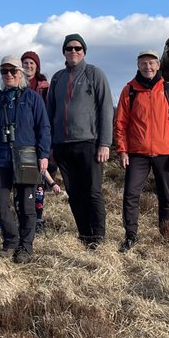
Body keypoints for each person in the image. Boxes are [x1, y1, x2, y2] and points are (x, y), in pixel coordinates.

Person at [113, 50, 169, 252]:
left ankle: (167, 236)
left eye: (151, 63)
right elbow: (120, 124)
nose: (148, 67)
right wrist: (122, 151)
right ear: (138, 66)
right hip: (137, 154)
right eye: (143, 63)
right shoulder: (129, 90)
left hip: (166, 153)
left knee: (166, 198)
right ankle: (131, 236)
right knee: (130, 195)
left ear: (158, 65)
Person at [45, 33, 114, 248]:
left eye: (77, 48)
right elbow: (50, 112)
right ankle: (85, 236)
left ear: (84, 52)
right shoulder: (57, 78)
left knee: (92, 191)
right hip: (62, 146)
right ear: (64, 52)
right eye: (69, 48)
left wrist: (105, 143)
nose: (73, 51)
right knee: (74, 193)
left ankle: (98, 237)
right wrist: (50, 146)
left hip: (89, 143)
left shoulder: (95, 73)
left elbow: (106, 109)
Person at [0, 56, 51, 264]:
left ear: (20, 73)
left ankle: (26, 247)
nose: (9, 75)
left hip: (27, 158)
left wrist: (43, 155)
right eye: (4, 71)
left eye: (13, 71)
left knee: (27, 206)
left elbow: (43, 127)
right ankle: (11, 241)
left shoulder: (32, 98)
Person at [21, 50, 52, 229]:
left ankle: (38, 219)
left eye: (31, 63)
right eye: (25, 63)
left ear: (37, 66)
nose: (28, 66)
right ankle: (24, 216)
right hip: (23, 140)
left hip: (39, 137)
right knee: (23, 181)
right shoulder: (18, 86)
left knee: (39, 181)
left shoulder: (44, 87)